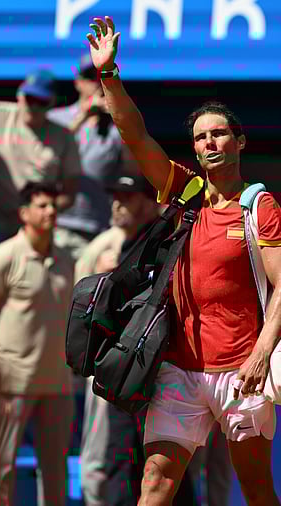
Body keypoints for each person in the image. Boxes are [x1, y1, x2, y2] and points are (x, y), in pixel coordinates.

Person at [88, 15, 281, 505]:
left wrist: (261, 353)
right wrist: (109, 75)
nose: (210, 142)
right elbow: (135, 136)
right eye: (202, 137)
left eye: (220, 134)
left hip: (242, 369)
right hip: (179, 369)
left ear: (239, 142)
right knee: (155, 483)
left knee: (256, 489)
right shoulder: (185, 191)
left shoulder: (259, 206)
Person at [76, 174, 197, 506]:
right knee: (117, 455)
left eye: (127, 198)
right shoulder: (109, 247)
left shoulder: (173, 241)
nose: (118, 204)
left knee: (165, 463)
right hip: (120, 369)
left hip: (161, 370)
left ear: (151, 202)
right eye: (116, 196)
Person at [0, 182, 75, 506]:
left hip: (57, 381)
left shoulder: (66, 260)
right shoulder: (3, 257)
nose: (51, 212)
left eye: (53, 205)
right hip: (11, 381)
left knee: (56, 472)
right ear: (24, 213)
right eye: (42, 206)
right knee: (0, 469)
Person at [0, 68, 81, 262]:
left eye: (41, 102)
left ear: (52, 103)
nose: (33, 106)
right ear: (19, 95)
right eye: (29, 98)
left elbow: (70, 193)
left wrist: (41, 211)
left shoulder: (63, 136)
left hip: (35, 229)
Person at [48, 53, 132, 261]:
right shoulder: (56, 118)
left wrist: (120, 119)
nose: (96, 83)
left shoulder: (117, 126)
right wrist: (83, 115)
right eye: (89, 77)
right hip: (56, 223)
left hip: (97, 228)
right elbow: (48, 157)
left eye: (101, 77)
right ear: (77, 83)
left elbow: (133, 170)